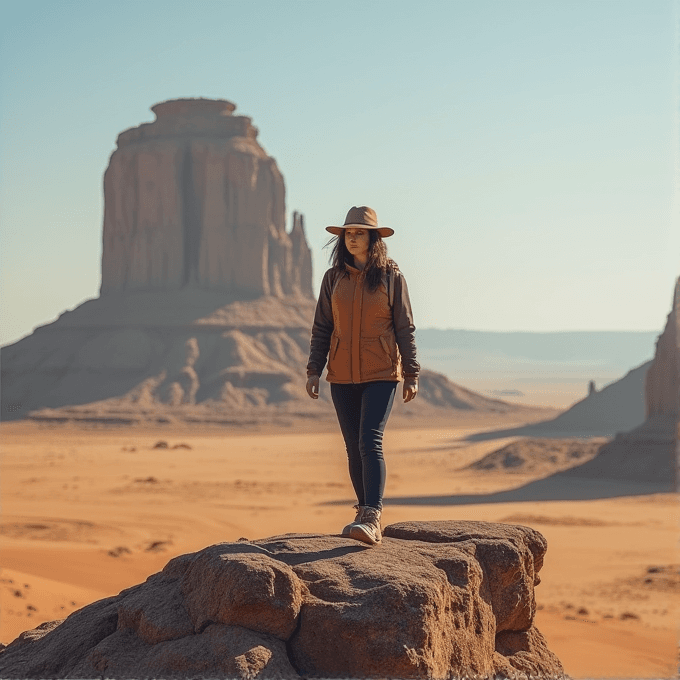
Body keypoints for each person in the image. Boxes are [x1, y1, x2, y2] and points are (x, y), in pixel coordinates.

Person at [305, 206, 420, 546]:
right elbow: (322, 327)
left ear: (373, 238)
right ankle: (362, 511)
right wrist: (314, 368)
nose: (352, 237)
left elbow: (405, 326)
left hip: (381, 372)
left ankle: (373, 515)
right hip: (341, 375)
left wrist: (411, 372)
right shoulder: (333, 278)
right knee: (353, 448)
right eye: (348, 233)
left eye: (359, 232)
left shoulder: (390, 277)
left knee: (370, 441)